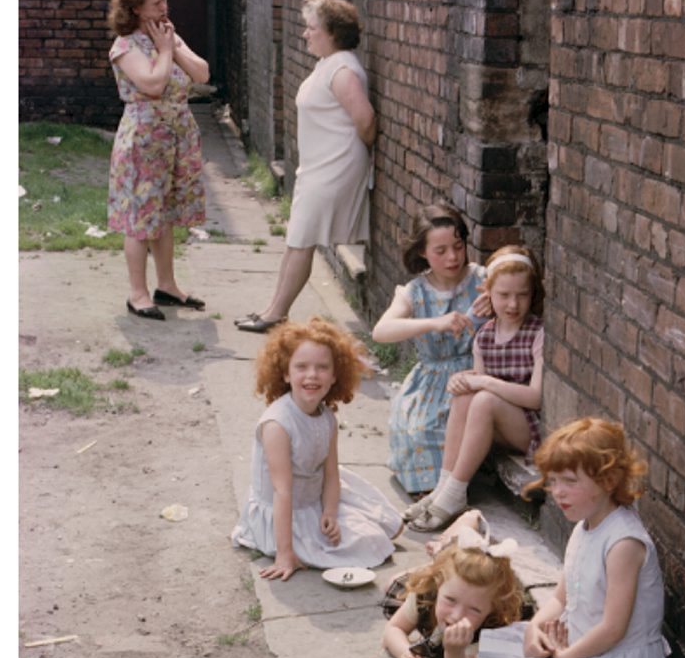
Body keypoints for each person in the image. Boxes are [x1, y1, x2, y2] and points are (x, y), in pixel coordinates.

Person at [475, 419, 673, 658]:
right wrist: (536, 628)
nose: (558, 493)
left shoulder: (623, 543)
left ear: (608, 480)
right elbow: (560, 598)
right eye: (552, 482)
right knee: (502, 645)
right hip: (579, 636)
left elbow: (612, 629)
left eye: (569, 481)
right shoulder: (584, 525)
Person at [235, 0, 376, 333]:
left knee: (301, 240)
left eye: (311, 28)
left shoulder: (343, 70)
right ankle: (273, 309)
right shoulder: (328, 63)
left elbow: (367, 121)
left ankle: (275, 314)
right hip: (317, 167)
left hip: (335, 167)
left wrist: (352, 156)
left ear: (332, 33)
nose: (305, 34)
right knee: (297, 238)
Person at [232, 318, 404, 580]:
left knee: (382, 529)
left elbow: (331, 472)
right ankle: (292, 544)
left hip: (315, 495)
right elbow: (282, 491)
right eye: (301, 367)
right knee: (364, 544)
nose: (312, 375)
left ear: (335, 375)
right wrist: (285, 552)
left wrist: (330, 513)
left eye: (322, 367)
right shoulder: (277, 424)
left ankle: (332, 520)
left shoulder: (326, 418)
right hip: (285, 511)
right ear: (286, 373)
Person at [402, 245, 545, 532]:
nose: (513, 305)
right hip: (494, 426)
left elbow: (535, 397)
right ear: (487, 292)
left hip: (526, 429)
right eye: (504, 295)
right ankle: (443, 488)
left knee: (483, 399)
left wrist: (484, 382)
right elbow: (477, 385)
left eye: (522, 295)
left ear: (533, 294)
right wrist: (466, 379)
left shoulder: (537, 333)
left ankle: (455, 493)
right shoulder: (485, 335)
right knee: (467, 395)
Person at [106, 0, 209, 321]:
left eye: (165, 0)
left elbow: (202, 73)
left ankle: (167, 285)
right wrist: (165, 51)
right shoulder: (125, 46)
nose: (164, 8)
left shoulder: (167, 36)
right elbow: (152, 84)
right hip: (144, 140)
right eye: (156, 3)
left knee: (164, 212)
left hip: (176, 135)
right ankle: (138, 293)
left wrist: (171, 46)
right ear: (136, 7)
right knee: (140, 215)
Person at [374, 206, 494, 499]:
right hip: (431, 378)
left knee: (457, 424)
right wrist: (433, 323)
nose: (452, 257)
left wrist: (498, 300)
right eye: (440, 250)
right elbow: (381, 331)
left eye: (458, 247)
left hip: (475, 371)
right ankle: (432, 490)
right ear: (423, 252)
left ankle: (452, 488)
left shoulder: (483, 279)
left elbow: (522, 286)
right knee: (418, 428)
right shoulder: (415, 291)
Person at [380, 516, 528, 658]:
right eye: (450, 600)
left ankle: (452, 541)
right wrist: (404, 651)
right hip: (437, 581)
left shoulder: (489, 629)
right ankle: (458, 531)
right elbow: (393, 629)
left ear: (490, 610)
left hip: (460, 592)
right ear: (439, 585)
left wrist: (454, 651)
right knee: (391, 584)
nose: (457, 615)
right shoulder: (426, 595)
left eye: (474, 610)